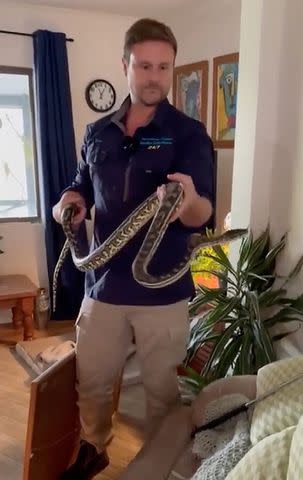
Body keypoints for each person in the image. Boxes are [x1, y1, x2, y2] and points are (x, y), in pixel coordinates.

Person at [53, 17, 214, 480]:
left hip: (162, 293)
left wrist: (184, 201)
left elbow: (202, 211)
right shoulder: (98, 131)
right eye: (144, 66)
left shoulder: (187, 134)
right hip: (101, 285)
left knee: (164, 391)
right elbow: (81, 184)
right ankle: (94, 447)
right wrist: (70, 202)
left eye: (164, 67)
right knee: (93, 383)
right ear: (125, 65)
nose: (154, 77)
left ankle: (160, 464)